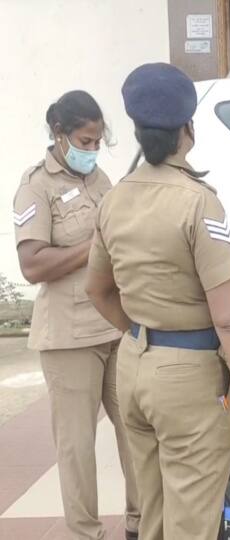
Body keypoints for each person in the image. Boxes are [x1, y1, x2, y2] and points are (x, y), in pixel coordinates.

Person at [84, 63, 230, 540]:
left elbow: (98, 291)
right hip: (188, 383)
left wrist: (144, 334)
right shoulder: (198, 202)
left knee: (154, 517)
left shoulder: (115, 198)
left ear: (136, 130)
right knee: (191, 525)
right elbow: (229, 320)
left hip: (132, 368)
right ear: (187, 130)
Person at [13, 90, 140, 540]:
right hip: (68, 339)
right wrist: (93, 245)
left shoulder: (100, 178)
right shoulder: (35, 186)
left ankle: (140, 524)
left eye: (96, 142)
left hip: (113, 326)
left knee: (136, 432)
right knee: (78, 450)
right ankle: (87, 533)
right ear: (59, 133)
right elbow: (32, 265)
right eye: (83, 141)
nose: (90, 150)